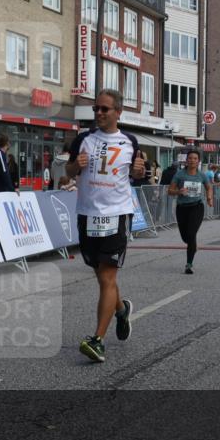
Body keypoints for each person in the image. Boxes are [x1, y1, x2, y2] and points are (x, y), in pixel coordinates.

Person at [67, 89, 145, 364]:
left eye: (104, 109)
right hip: (87, 214)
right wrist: (75, 165)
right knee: (102, 276)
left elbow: (138, 174)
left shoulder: (130, 141)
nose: (98, 113)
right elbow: (67, 172)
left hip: (117, 215)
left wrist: (139, 172)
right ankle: (122, 309)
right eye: (96, 109)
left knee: (108, 277)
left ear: (118, 112)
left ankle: (97, 340)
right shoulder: (83, 140)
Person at [168, 149, 212, 275]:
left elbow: (208, 187)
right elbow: (170, 191)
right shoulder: (179, 175)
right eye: (190, 158)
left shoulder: (202, 175)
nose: (192, 160)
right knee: (185, 237)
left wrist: (209, 198)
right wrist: (178, 192)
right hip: (182, 208)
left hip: (197, 207)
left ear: (198, 161)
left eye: (195, 158)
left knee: (191, 234)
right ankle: (192, 245)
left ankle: (189, 264)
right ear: (186, 160)